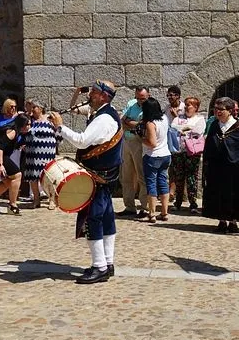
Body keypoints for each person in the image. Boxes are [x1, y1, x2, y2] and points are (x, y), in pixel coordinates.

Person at [49, 80, 123, 284]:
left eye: (94, 92)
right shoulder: (106, 112)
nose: (90, 94)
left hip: (97, 176)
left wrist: (60, 127)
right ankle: (107, 263)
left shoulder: (104, 119)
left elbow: (81, 140)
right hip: (105, 174)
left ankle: (99, 267)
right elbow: (78, 111)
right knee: (106, 217)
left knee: (94, 218)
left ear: (104, 96)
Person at [202, 97, 239, 234]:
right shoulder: (215, 125)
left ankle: (233, 222)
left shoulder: (238, 127)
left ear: (230, 111)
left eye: (221, 109)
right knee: (218, 194)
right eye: (216, 109)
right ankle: (221, 221)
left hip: (234, 170)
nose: (218, 112)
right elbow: (210, 144)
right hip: (217, 168)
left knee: (234, 195)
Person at [0, 113, 31, 215]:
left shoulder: (17, 132)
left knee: (7, 181)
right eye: (27, 124)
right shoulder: (12, 132)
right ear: (21, 124)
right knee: (17, 175)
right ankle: (12, 205)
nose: (29, 127)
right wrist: (0, 165)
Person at [169, 96, 206, 213]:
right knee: (178, 177)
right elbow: (173, 128)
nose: (186, 107)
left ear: (196, 107)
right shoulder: (178, 118)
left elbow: (198, 131)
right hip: (179, 151)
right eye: (185, 104)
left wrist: (183, 129)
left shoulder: (200, 119)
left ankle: (193, 203)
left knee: (192, 178)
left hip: (192, 153)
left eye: (189, 105)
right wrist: (187, 128)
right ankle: (178, 201)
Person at [139, 97, 172, 223]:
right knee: (163, 183)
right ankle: (164, 213)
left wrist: (141, 138)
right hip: (165, 154)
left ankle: (152, 213)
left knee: (151, 184)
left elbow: (152, 143)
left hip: (153, 156)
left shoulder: (150, 123)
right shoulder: (164, 119)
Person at [23, 100, 59, 209]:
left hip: (46, 153)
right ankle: (36, 200)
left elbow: (59, 133)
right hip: (32, 153)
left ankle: (52, 199)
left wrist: (55, 145)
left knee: (49, 177)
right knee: (33, 177)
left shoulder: (49, 120)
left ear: (41, 108)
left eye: (34, 107)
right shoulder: (29, 120)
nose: (32, 110)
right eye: (31, 107)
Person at [120, 87, 149, 217]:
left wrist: (129, 123)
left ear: (148, 95)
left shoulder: (150, 106)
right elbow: (122, 121)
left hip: (140, 142)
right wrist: (133, 124)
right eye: (138, 97)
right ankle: (129, 206)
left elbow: (143, 126)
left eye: (142, 98)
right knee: (126, 176)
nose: (140, 101)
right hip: (127, 140)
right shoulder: (131, 103)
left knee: (141, 175)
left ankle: (144, 207)